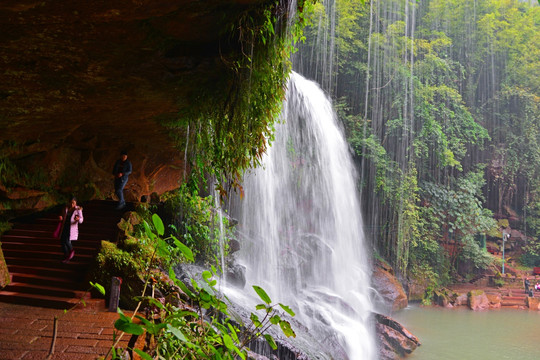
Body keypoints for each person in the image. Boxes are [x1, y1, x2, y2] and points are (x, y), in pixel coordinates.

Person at [59, 197, 83, 263]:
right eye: (71, 203)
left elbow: (81, 220)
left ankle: (71, 251)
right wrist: (61, 217)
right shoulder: (66, 208)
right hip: (64, 227)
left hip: (71, 228)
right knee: (62, 242)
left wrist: (78, 219)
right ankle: (66, 256)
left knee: (67, 241)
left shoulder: (78, 209)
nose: (72, 205)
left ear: (76, 203)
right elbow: (63, 216)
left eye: (74, 203)